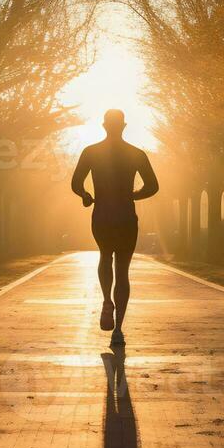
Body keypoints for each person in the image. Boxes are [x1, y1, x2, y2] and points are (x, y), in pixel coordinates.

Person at [71, 109, 159, 347]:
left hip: (101, 215)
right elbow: (153, 186)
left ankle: (106, 300)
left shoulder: (91, 152)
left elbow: (75, 183)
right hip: (126, 216)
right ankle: (118, 329)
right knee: (123, 270)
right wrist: (132, 195)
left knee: (104, 256)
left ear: (103, 125)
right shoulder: (136, 154)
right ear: (124, 125)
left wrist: (86, 194)